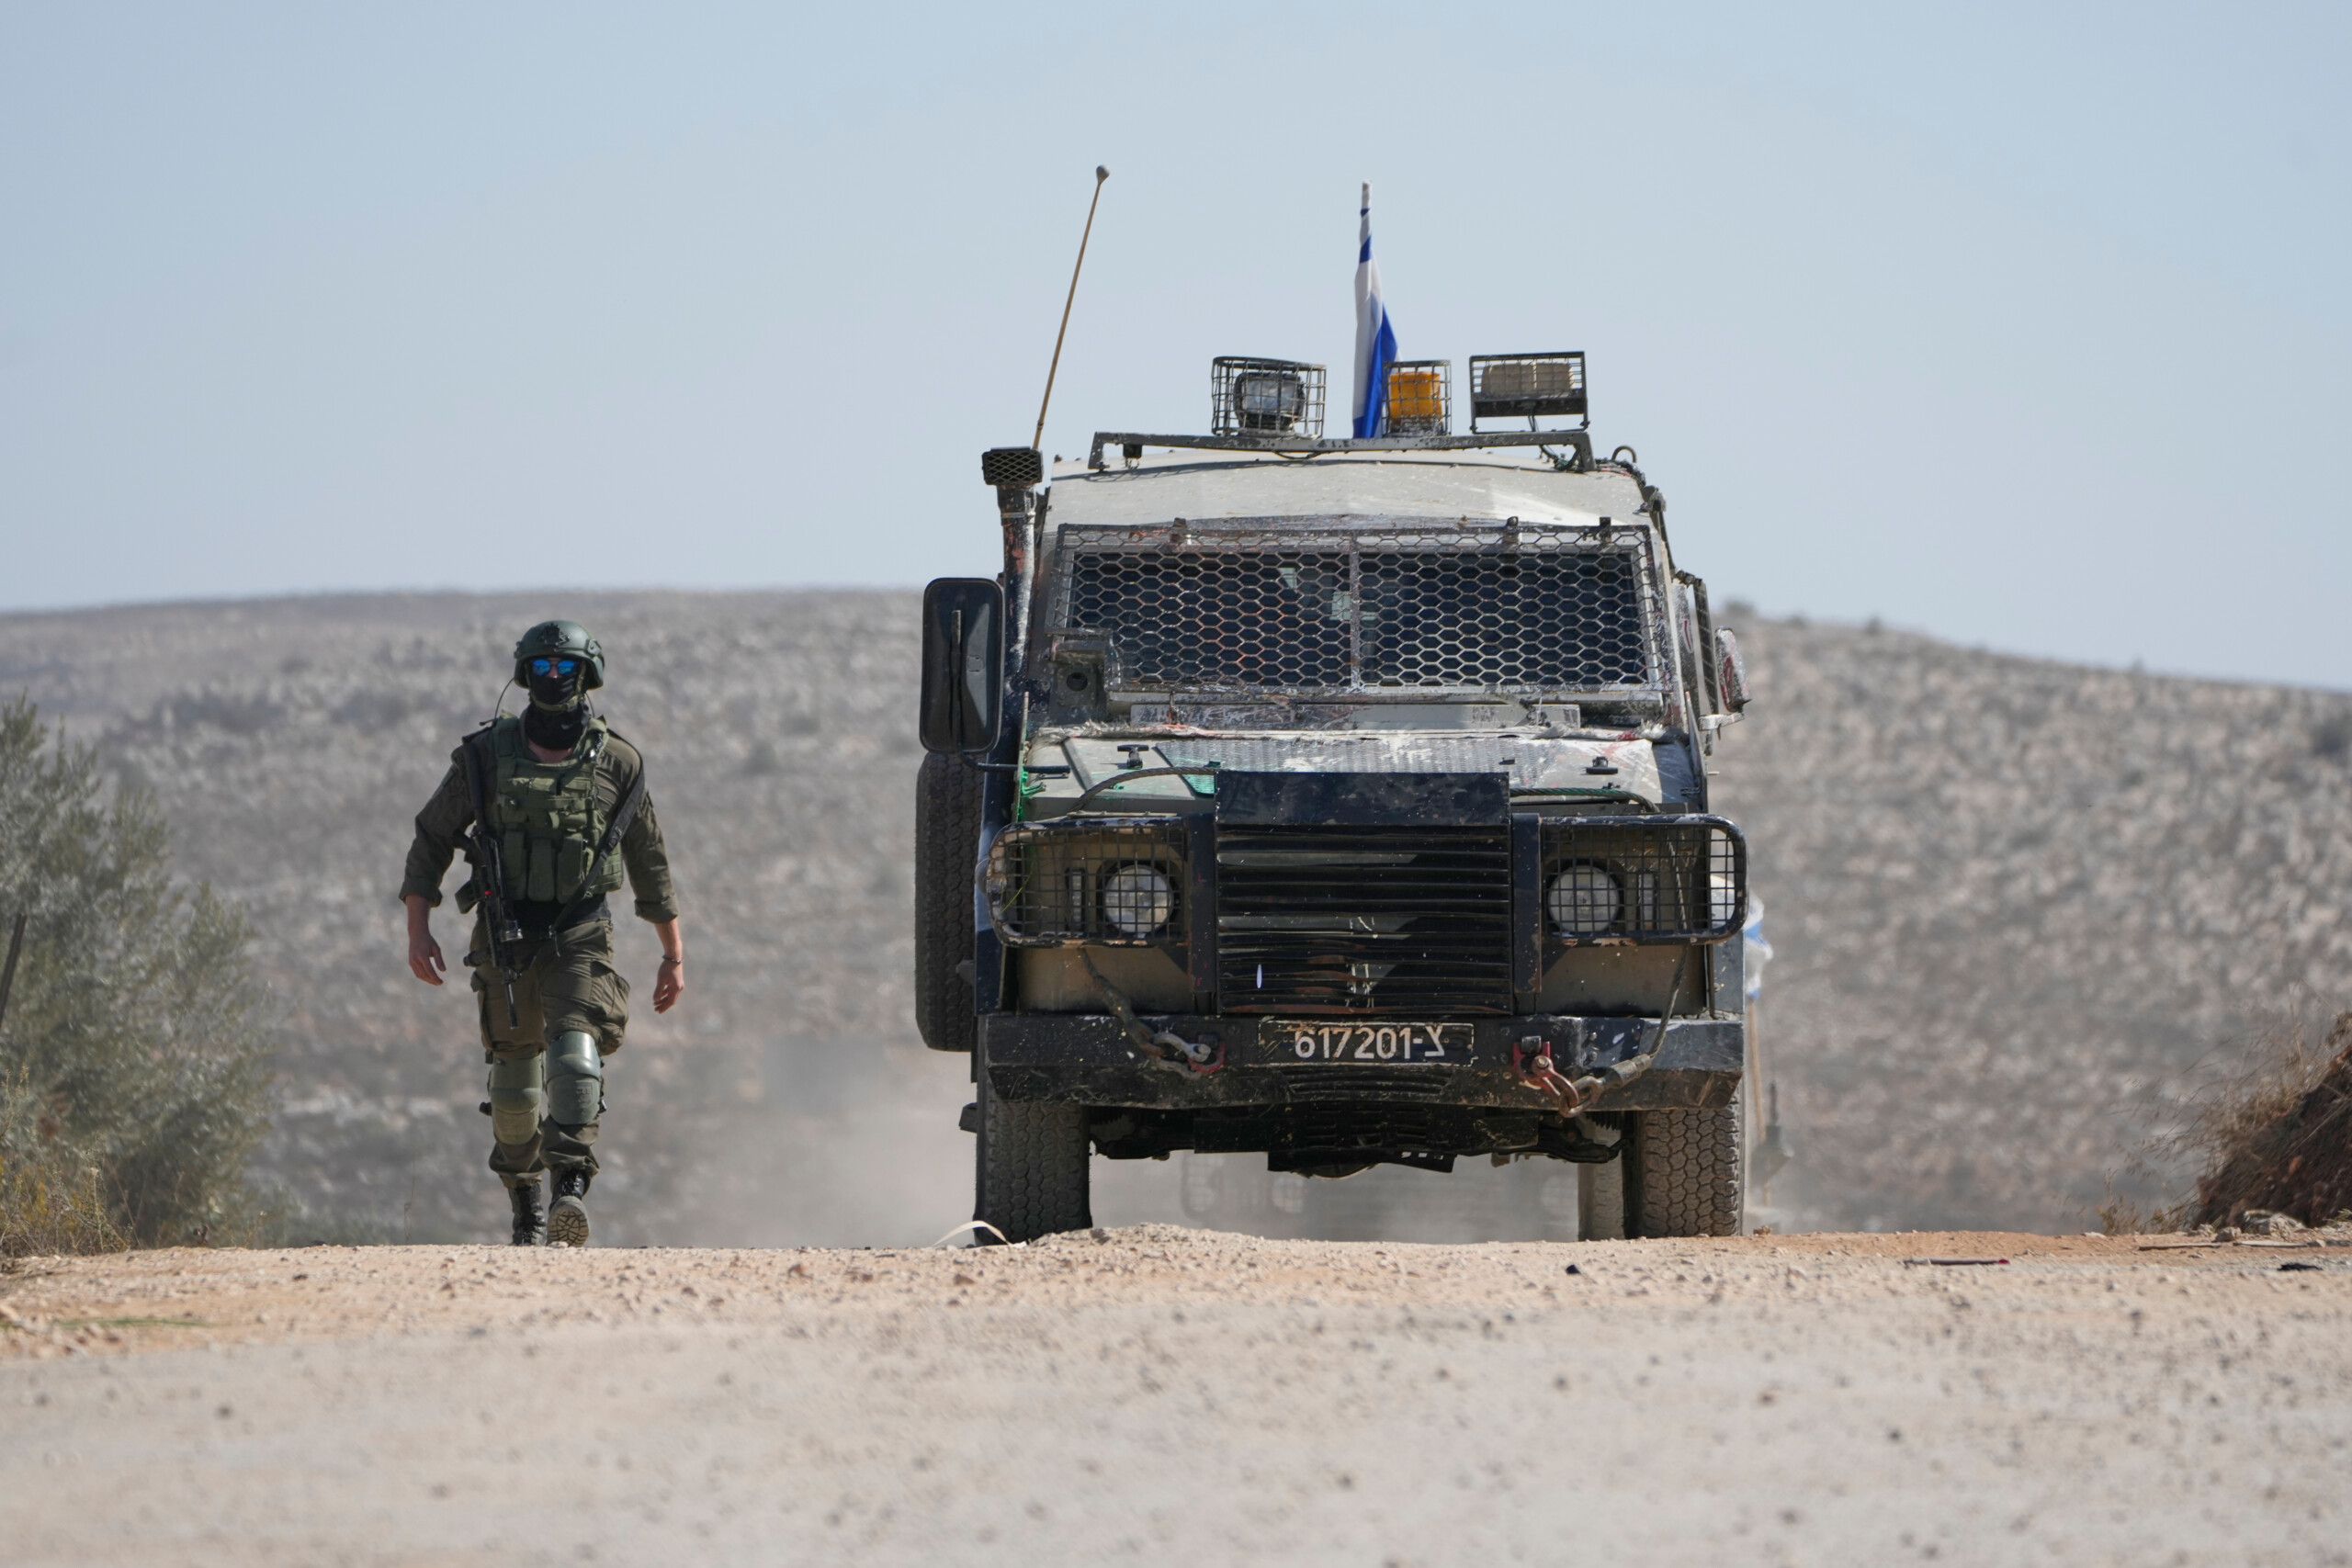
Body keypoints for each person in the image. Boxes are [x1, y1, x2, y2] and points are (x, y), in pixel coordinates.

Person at [400, 619, 684, 1246]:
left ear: (588, 675)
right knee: (513, 1087)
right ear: (527, 675)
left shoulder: (618, 762)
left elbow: (650, 861)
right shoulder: (483, 757)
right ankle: (525, 1203)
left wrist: (673, 954)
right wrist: (418, 929)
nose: (555, 680)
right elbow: (430, 839)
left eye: (567, 668)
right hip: (506, 935)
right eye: (544, 669)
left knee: (575, 1060)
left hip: (580, 934)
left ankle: (569, 1190)